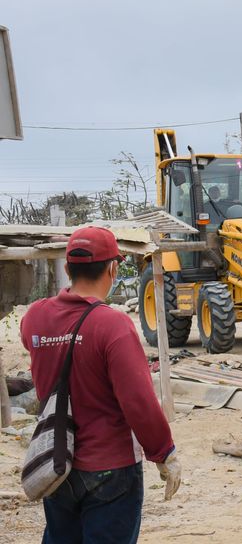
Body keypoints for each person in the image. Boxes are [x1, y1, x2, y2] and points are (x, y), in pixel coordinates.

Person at [20, 226, 181, 544]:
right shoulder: (113, 325)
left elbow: (31, 340)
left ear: (68, 269)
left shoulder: (36, 316)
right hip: (111, 471)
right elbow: (138, 401)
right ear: (113, 269)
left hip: (57, 465)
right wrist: (163, 453)